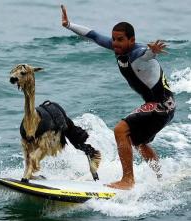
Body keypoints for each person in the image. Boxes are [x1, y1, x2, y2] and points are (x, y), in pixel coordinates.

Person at [61, 5, 176, 190]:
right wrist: (68, 25)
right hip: (159, 105)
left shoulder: (136, 53)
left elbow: (146, 55)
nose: (115, 43)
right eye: (114, 39)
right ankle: (161, 178)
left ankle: (128, 181)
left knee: (121, 130)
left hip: (162, 105)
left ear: (132, 40)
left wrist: (153, 51)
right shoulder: (119, 49)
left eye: (120, 40)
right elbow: (93, 35)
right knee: (138, 142)